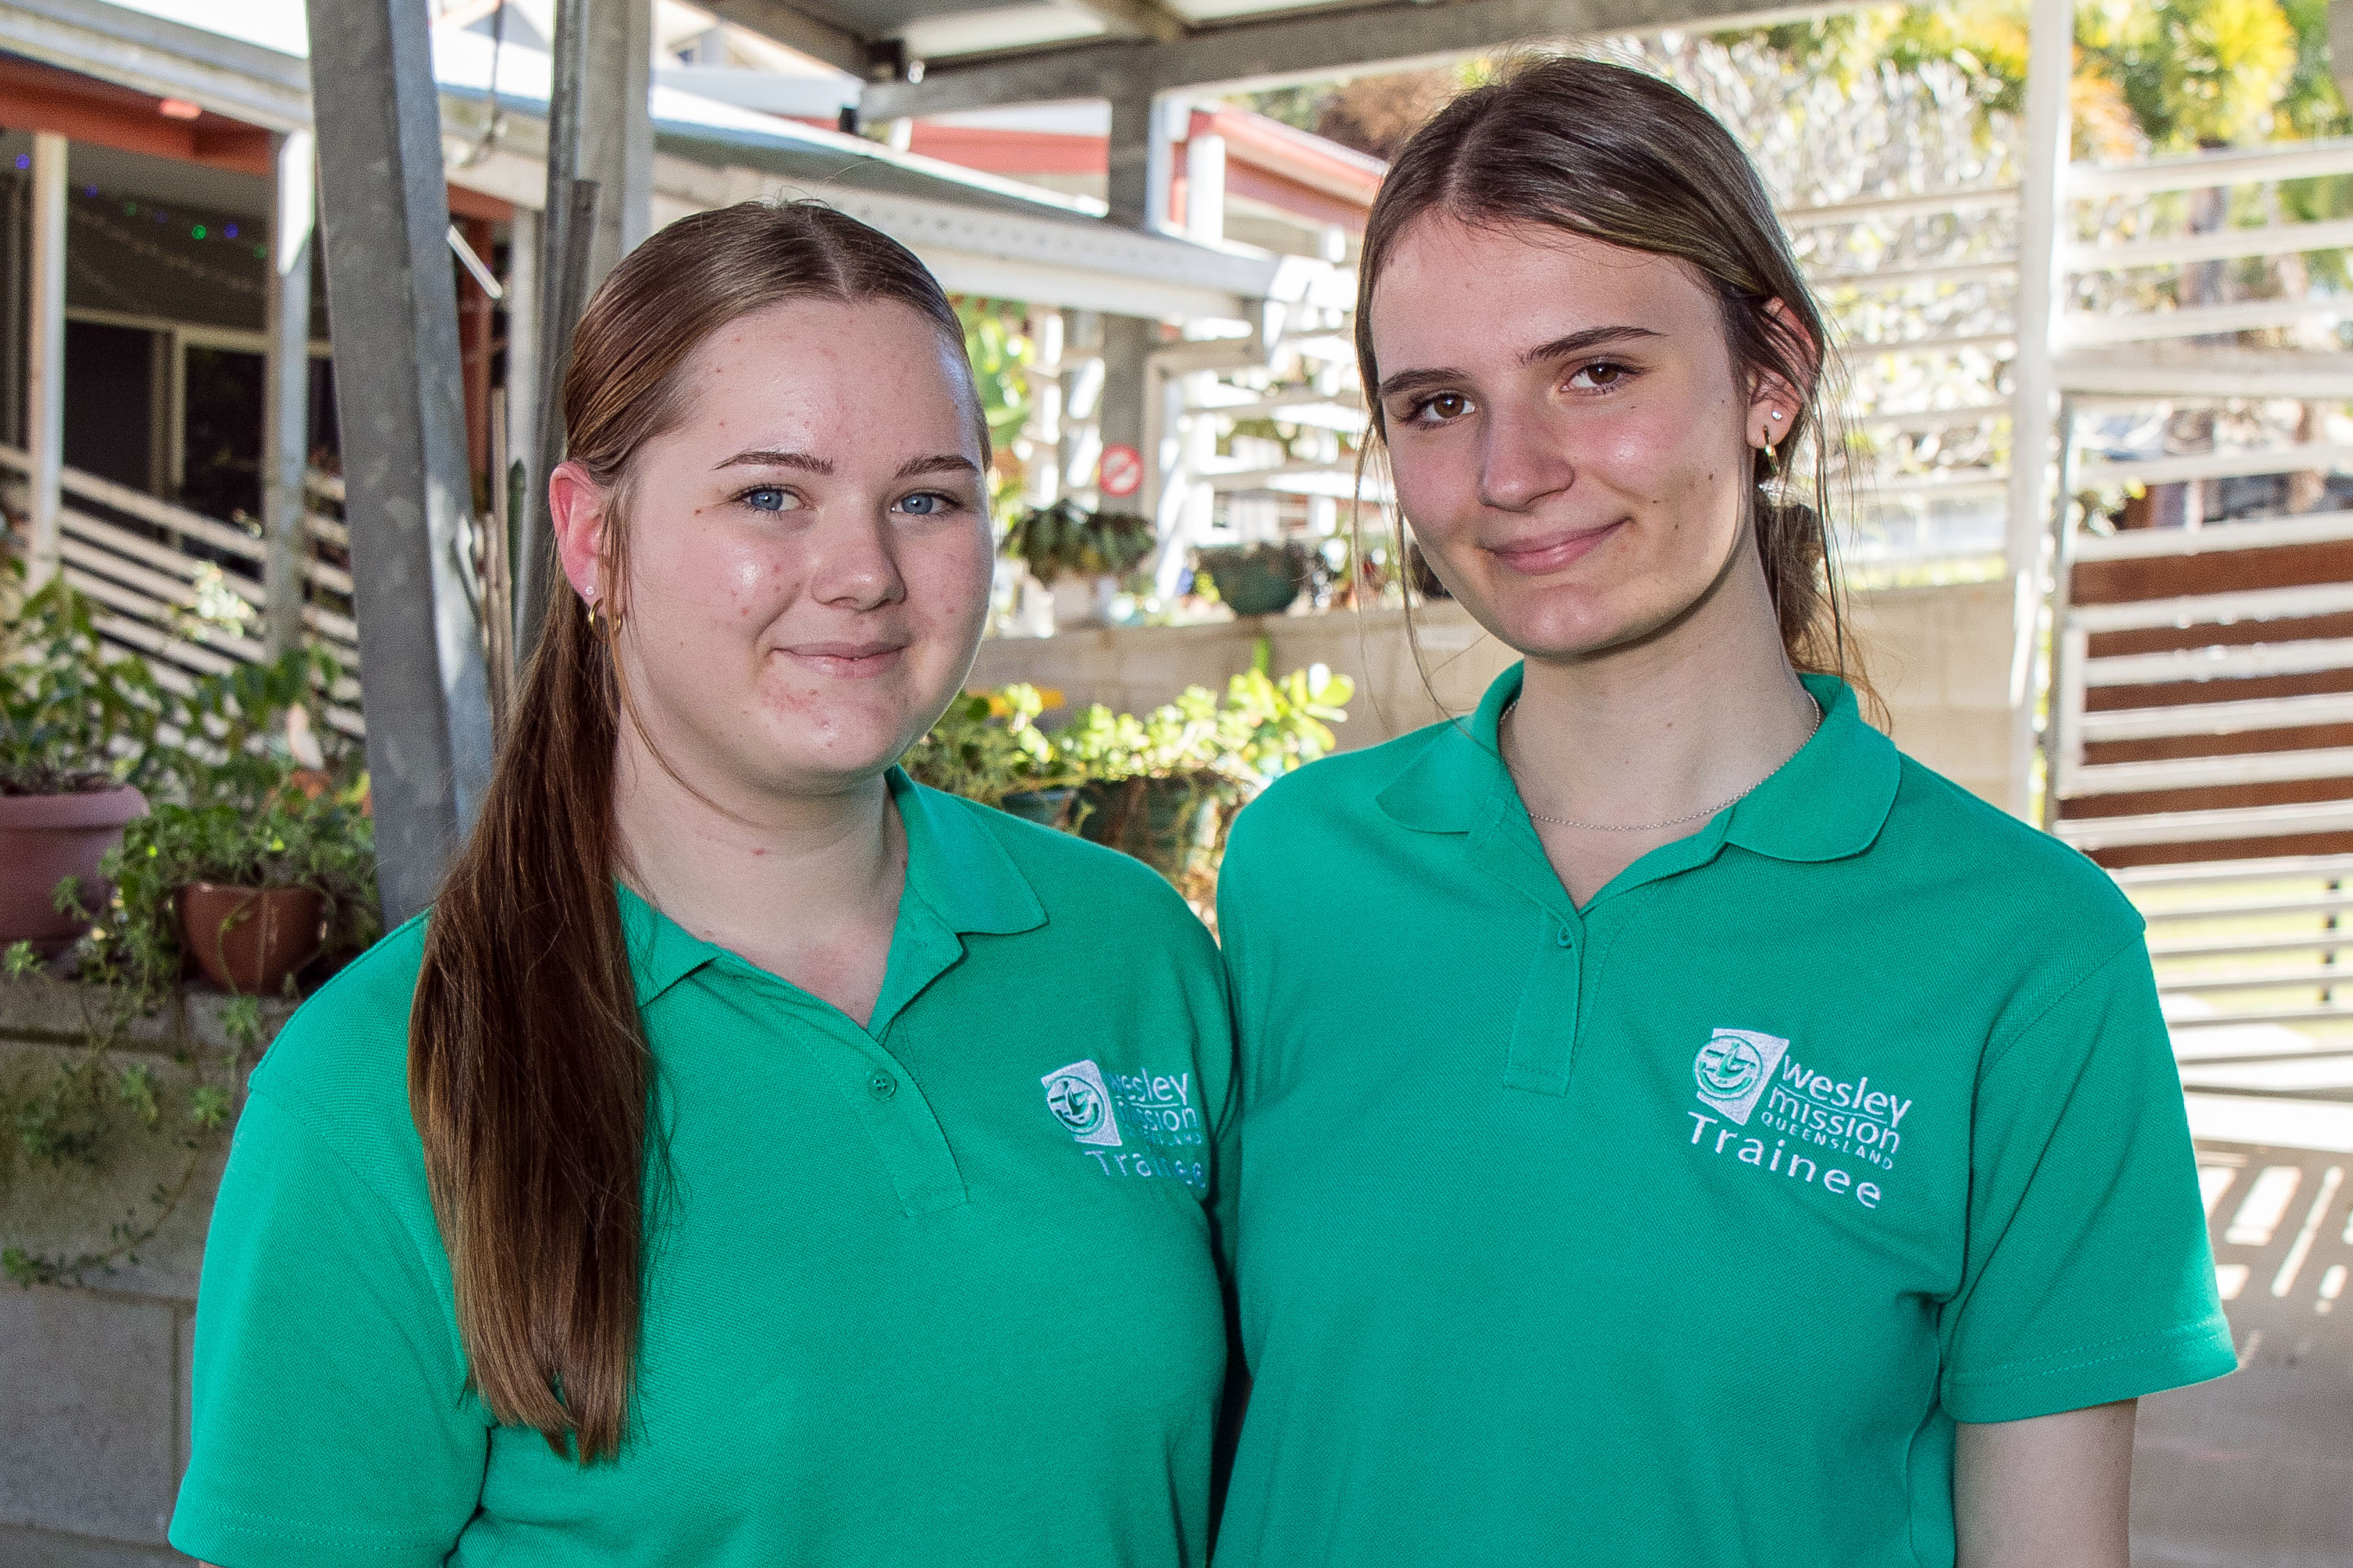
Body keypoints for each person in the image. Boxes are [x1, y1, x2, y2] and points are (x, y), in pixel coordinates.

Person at [1211, 57, 2232, 1568]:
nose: (1515, 474)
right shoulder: (1300, 868)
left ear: (1773, 375)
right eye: (1439, 404)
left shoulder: (2031, 957)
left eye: (1598, 372)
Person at [170, 202, 1235, 1568]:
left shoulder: (1130, 950)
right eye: (770, 496)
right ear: (591, 537)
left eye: (926, 498)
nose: (863, 575)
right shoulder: (380, 1081)